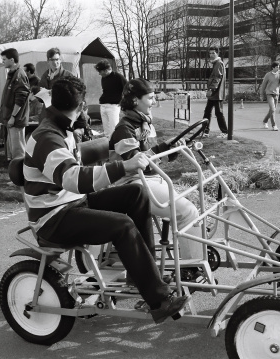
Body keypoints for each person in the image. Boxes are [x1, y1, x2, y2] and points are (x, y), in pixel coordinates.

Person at [24, 76, 191, 324]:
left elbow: (78, 171)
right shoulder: (48, 137)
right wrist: (123, 167)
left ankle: (144, 277)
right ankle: (158, 301)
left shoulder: (61, 128)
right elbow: (74, 179)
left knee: (136, 193)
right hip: (53, 218)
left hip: (71, 204)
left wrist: (112, 156)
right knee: (123, 225)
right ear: (81, 107)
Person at [109, 78, 204, 264]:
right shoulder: (124, 130)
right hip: (134, 184)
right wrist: (162, 150)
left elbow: (154, 156)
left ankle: (193, 259)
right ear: (136, 100)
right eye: (151, 98)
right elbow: (138, 163)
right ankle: (193, 265)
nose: (154, 102)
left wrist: (173, 149)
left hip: (151, 179)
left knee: (191, 208)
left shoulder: (145, 124)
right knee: (188, 212)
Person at [0, 48, 30, 164]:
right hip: (11, 119)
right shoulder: (12, 74)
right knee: (13, 152)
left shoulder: (19, 75)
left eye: (4, 59)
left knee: (19, 152)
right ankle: (17, 178)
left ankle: (22, 179)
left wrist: (13, 117)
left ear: (12, 60)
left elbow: (20, 99)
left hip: (16, 120)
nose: (3, 62)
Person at [95, 59, 128, 138]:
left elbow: (128, 88)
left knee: (114, 129)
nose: (99, 74)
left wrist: (123, 102)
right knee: (106, 130)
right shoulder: (103, 78)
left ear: (106, 70)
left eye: (100, 71)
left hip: (113, 106)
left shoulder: (118, 77)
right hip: (103, 105)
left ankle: (115, 146)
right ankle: (108, 146)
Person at [202, 46, 228, 139]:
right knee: (207, 112)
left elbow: (217, 78)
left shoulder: (218, 63)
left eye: (213, 53)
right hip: (215, 93)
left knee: (218, 113)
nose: (211, 55)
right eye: (210, 53)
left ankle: (225, 132)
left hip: (216, 93)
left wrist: (211, 90)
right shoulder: (216, 63)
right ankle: (205, 131)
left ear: (217, 53)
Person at [260, 61, 280, 131]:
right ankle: (274, 125)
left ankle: (265, 121)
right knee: (273, 109)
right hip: (269, 93)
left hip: (276, 94)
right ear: (273, 67)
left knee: (272, 110)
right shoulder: (268, 75)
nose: (278, 68)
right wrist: (261, 95)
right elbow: (263, 85)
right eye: (277, 67)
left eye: (279, 67)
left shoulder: (279, 74)